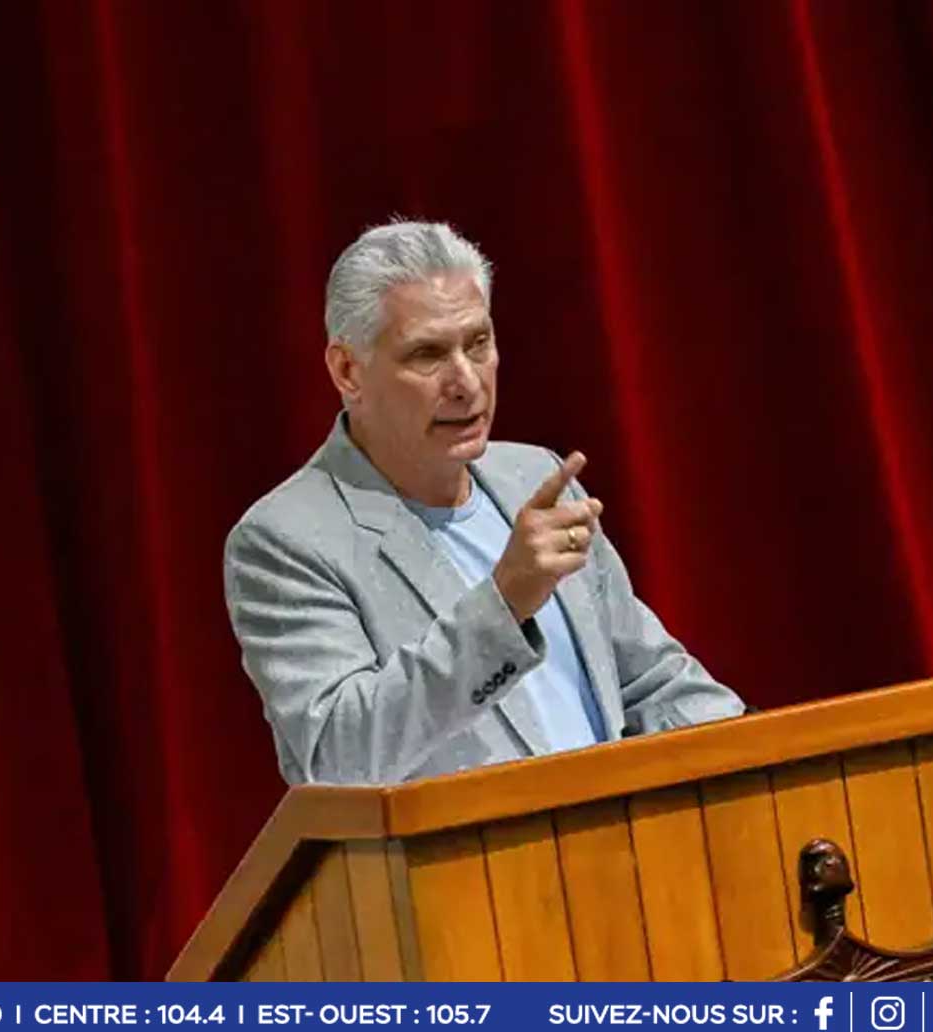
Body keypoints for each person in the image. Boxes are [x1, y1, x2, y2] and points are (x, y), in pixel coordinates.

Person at [223, 220, 745, 785]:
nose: (467, 382)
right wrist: (504, 603)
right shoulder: (286, 540)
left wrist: (759, 755)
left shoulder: (535, 477)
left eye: (478, 343)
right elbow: (339, 756)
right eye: (427, 354)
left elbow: (650, 682)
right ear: (348, 370)